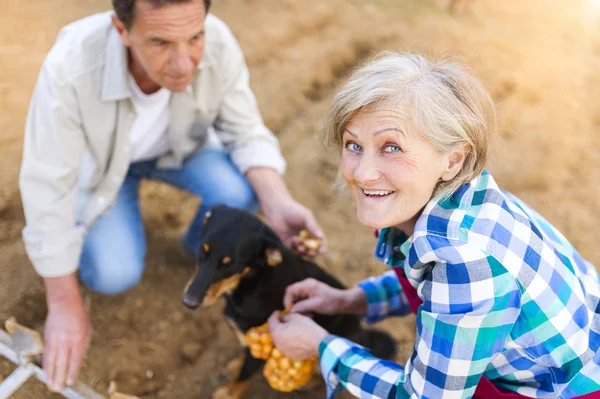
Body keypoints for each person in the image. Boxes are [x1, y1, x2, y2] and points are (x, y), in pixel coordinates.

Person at [19, 0, 325, 392]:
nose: (184, 64)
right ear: (122, 30)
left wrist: (279, 203)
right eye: (161, 42)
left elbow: (245, 132)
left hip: (179, 153)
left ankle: (196, 248)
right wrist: (62, 303)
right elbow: (46, 184)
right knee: (114, 274)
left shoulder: (218, 43)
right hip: (102, 170)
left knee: (241, 191)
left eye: (194, 37)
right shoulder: (71, 65)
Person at [267, 52, 600, 398]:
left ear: (453, 159)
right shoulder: (464, 199)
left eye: (392, 147)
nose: (362, 173)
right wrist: (351, 300)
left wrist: (322, 347)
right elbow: (438, 288)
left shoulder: (467, 260)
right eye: (354, 145)